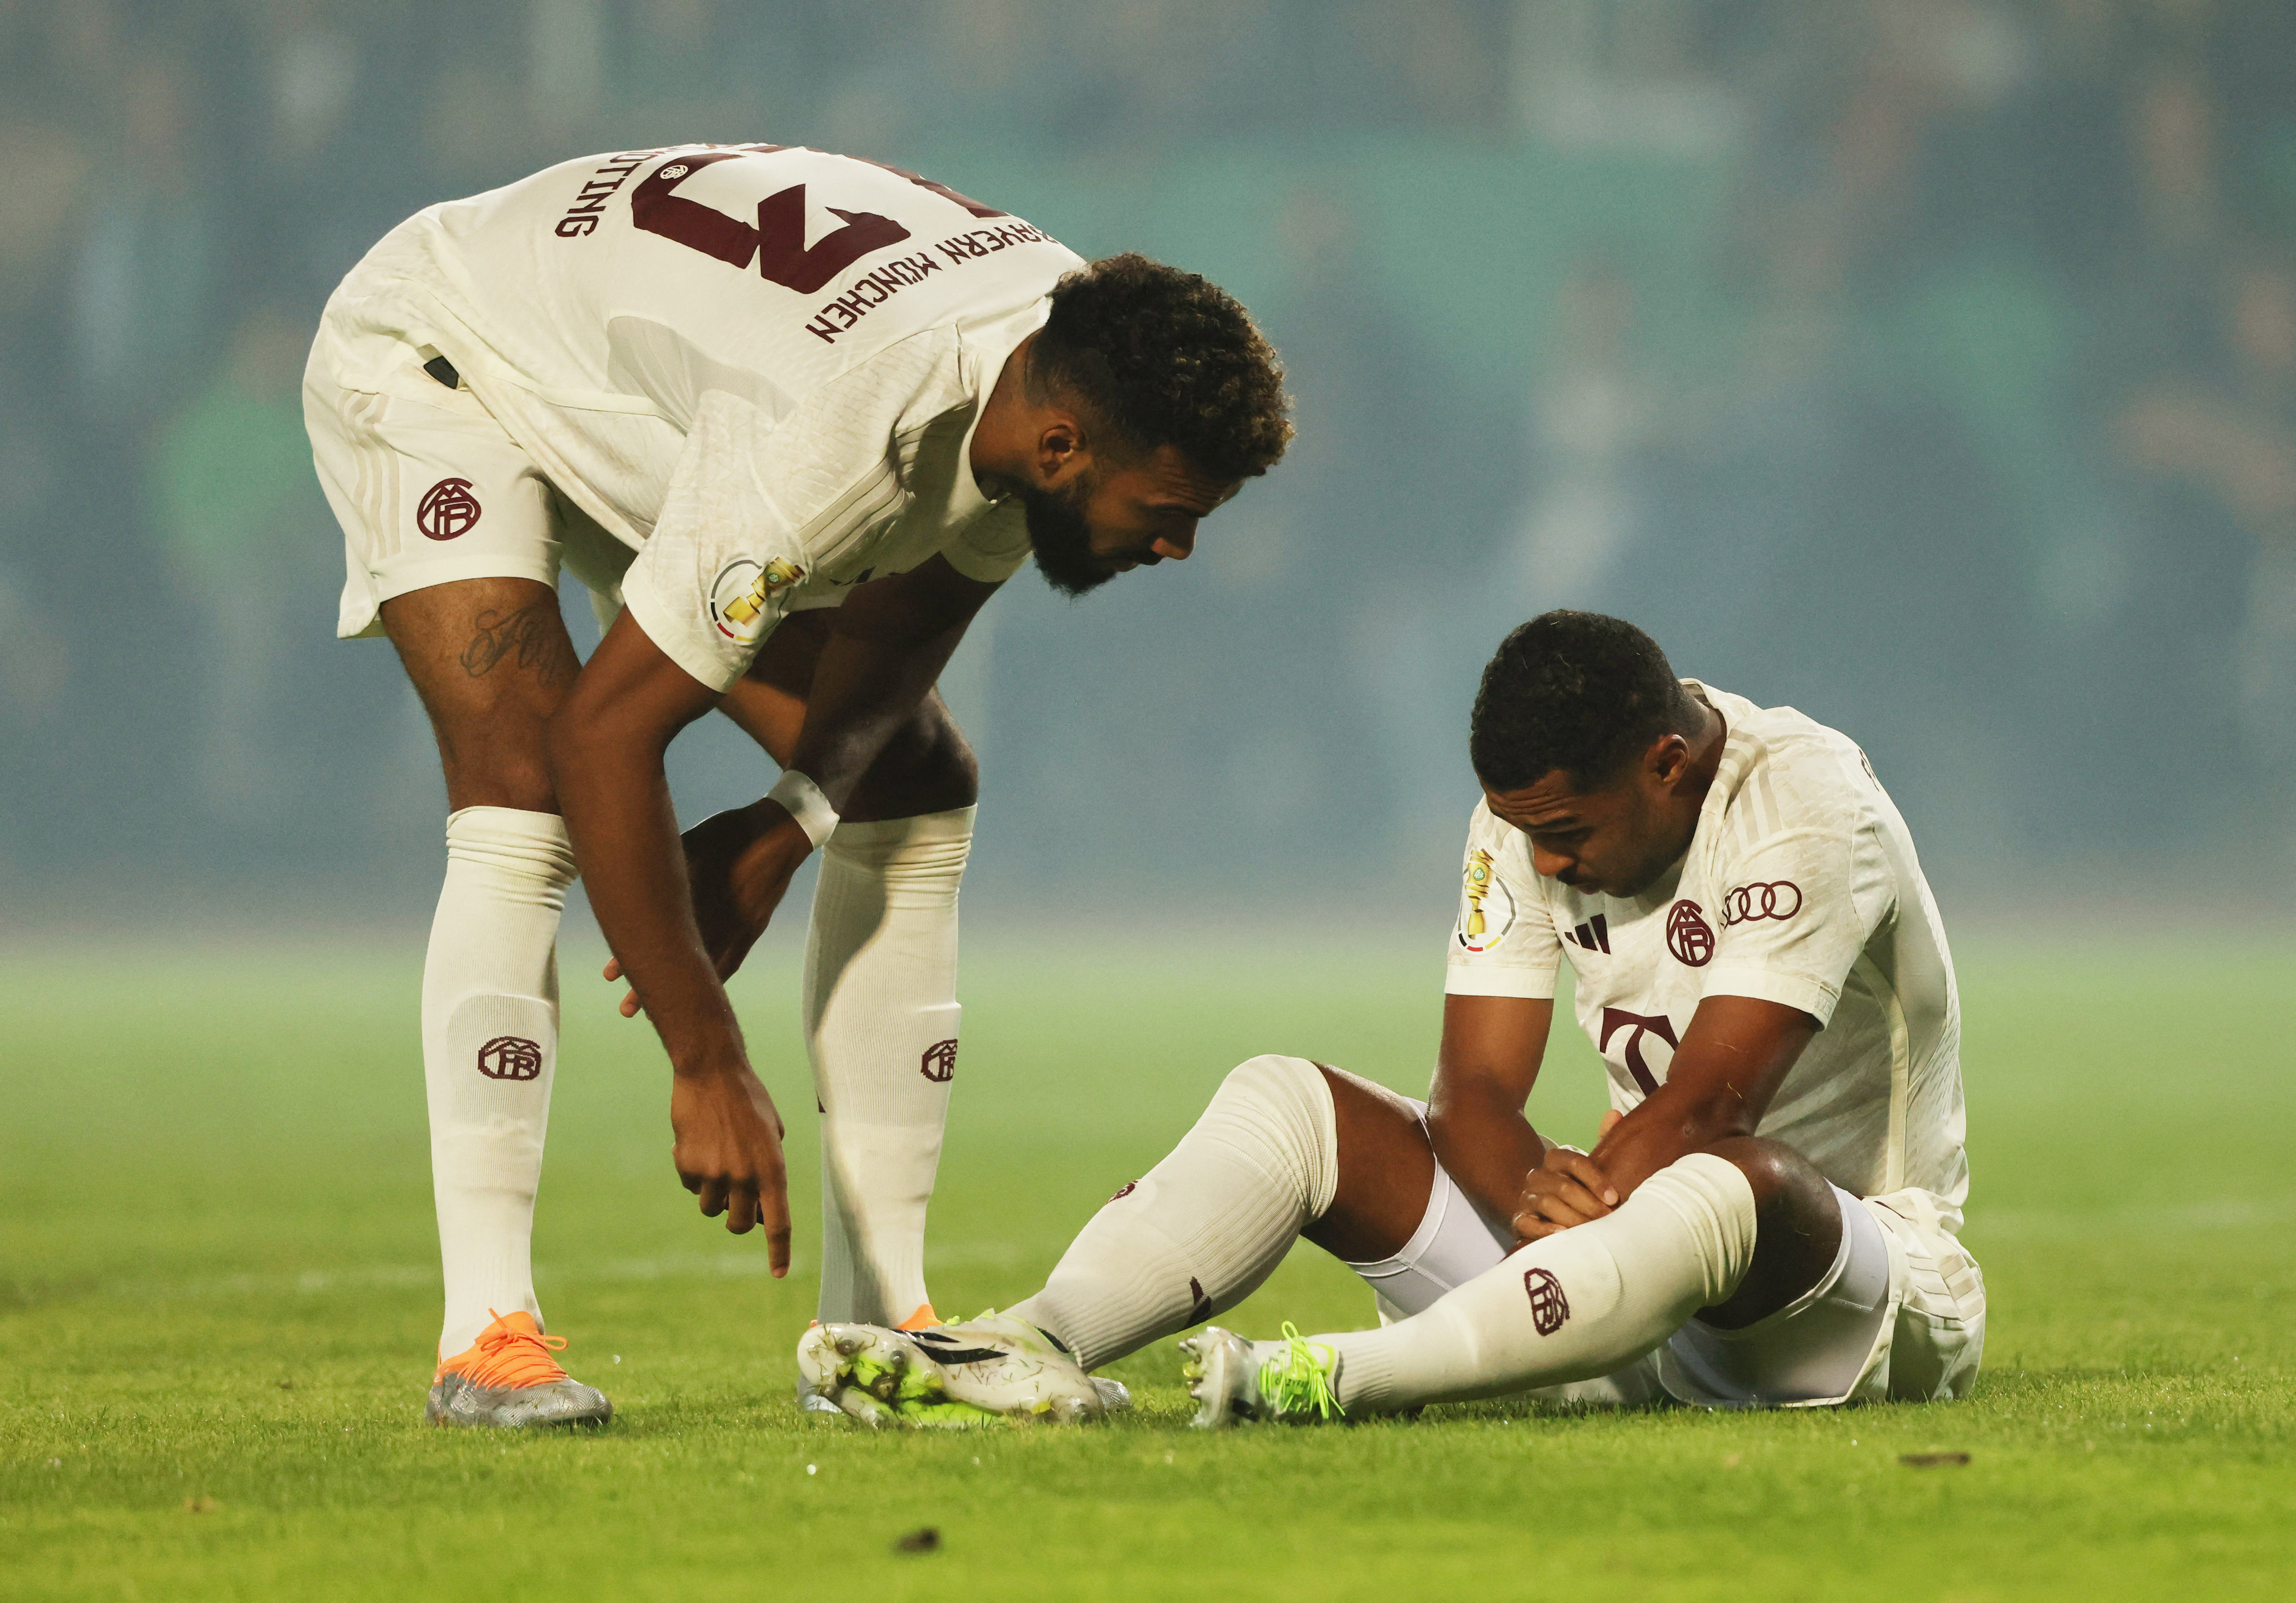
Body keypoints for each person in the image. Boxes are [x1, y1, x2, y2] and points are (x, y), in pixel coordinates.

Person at [304, 142, 1291, 1428]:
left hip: (650, 394)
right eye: (1166, 506)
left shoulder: (1047, 354)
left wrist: (792, 821)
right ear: (1060, 446)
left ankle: (878, 1320)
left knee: (913, 782)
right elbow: (607, 742)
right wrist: (704, 1057)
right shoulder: (838, 434)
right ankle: (485, 1337)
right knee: (526, 788)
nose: (1178, 542)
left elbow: (912, 612)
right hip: (452, 352)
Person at [798, 611, 1983, 1426]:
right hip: (1606, 1272)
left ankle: (1313, 1380)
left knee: (1730, 1177)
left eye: (1566, 834)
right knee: (1290, 1100)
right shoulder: (1534, 817)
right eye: (1526, 835)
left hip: (1842, 1289)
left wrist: (1593, 1225)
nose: (1546, 862)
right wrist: (1545, 1211)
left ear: (1667, 765)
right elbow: (1472, 1094)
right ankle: (1026, 1347)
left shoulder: (1806, 805)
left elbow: (1709, 1105)